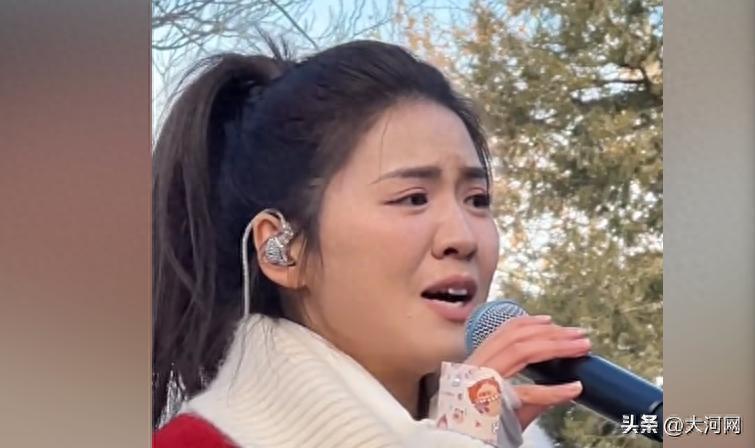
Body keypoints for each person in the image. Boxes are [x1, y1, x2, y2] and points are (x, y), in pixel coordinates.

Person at [152, 38, 591, 448]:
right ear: (285, 250)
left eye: (477, 200)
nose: (462, 237)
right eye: (413, 199)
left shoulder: (503, 432)